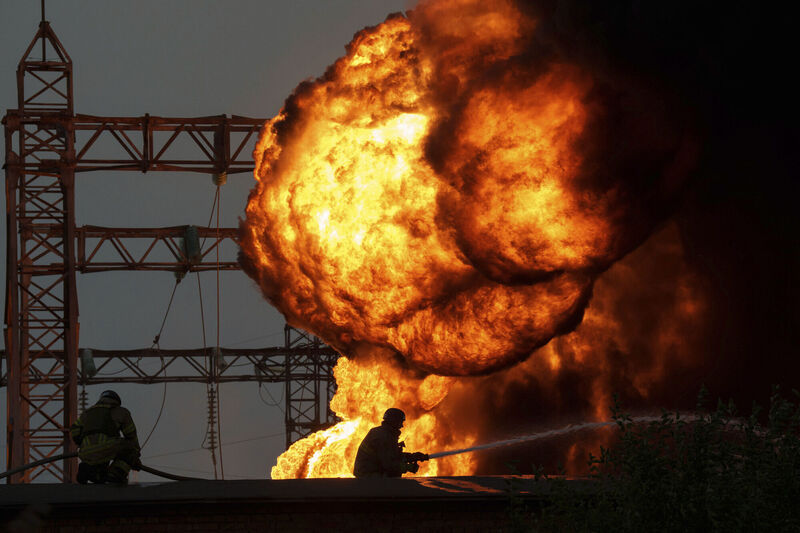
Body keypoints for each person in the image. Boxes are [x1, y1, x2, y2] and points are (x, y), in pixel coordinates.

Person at [69, 390, 141, 484]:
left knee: (100, 475)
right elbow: (131, 437)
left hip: (85, 453)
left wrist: (82, 444)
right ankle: (116, 473)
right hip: (106, 449)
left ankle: (88, 470)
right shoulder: (121, 412)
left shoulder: (88, 412)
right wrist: (135, 458)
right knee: (130, 448)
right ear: (116, 401)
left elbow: (74, 430)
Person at [353, 408, 429, 478]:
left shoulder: (383, 433)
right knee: (393, 475)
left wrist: (412, 456)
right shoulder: (383, 437)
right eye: (400, 422)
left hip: (368, 471)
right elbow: (389, 465)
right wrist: (408, 467)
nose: (402, 426)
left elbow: (391, 455)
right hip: (368, 476)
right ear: (394, 421)